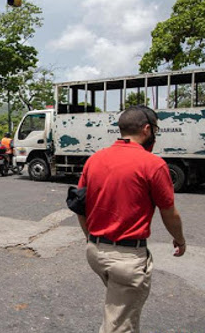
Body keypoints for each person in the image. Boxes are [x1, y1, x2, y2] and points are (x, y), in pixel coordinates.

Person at [76, 105, 186, 333]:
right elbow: (169, 212)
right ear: (147, 130)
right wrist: (180, 240)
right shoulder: (153, 164)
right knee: (119, 326)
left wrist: (92, 240)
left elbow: (79, 207)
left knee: (117, 311)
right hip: (126, 260)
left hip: (95, 253)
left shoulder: (94, 160)